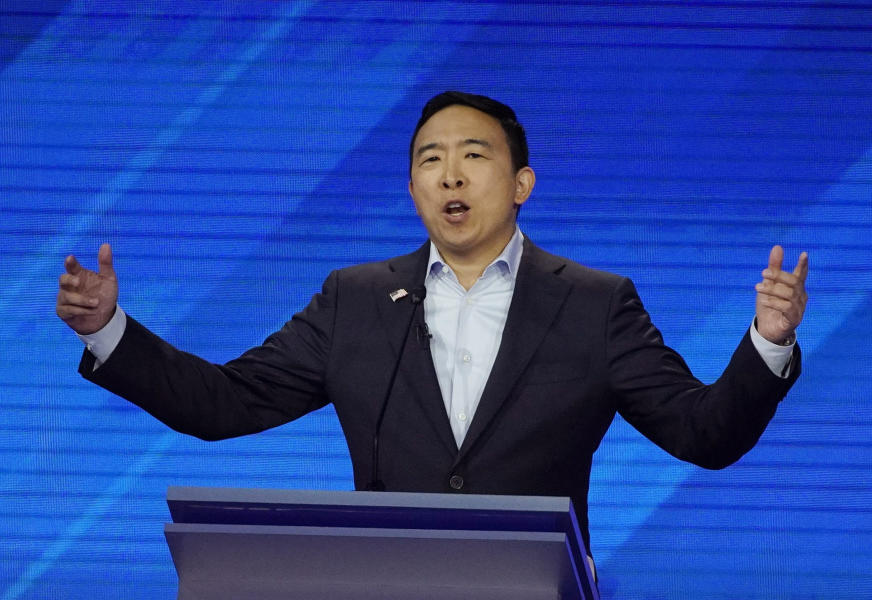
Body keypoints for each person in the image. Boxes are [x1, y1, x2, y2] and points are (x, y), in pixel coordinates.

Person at [56, 91, 808, 554]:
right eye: (430, 160)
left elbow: (702, 433)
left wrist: (767, 343)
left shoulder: (594, 303)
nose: (450, 174)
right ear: (414, 189)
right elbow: (222, 403)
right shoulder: (354, 299)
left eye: (473, 156)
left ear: (520, 184)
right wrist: (108, 329)